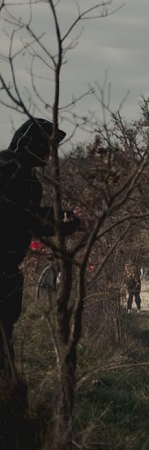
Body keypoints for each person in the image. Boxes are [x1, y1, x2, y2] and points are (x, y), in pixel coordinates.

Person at [0, 118, 80, 377]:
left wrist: (70, 219)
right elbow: (27, 218)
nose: (49, 154)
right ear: (33, 145)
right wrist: (72, 222)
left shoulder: (18, 171)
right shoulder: (11, 172)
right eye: (47, 147)